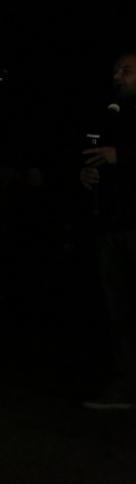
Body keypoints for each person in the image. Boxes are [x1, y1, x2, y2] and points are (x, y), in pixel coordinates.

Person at [80, 51, 136, 409]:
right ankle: (126, 385)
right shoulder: (111, 112)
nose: (118, 75)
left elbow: (121, 156)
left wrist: (124, 156)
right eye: (116, 69)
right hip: (111, 225)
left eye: (127, 70)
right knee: (119, 310)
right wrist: (85, 175)